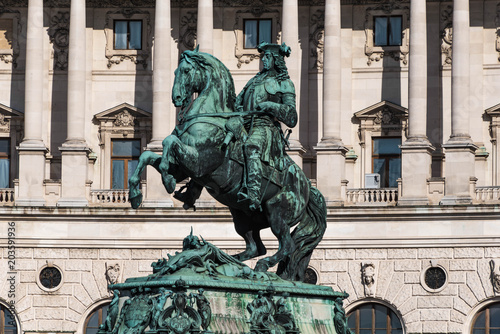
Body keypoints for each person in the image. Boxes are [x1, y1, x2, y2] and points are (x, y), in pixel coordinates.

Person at [236, 42, 297, 211]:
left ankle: (254, 193)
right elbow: (237, 102)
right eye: (263, 57)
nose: (264, 60)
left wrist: (271, 106)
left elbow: (292, 117)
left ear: (276, 59)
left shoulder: (284, 83)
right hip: (244, 124)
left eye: (267, 56)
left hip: (265, 127)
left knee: (251, 146)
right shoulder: (253, 81)